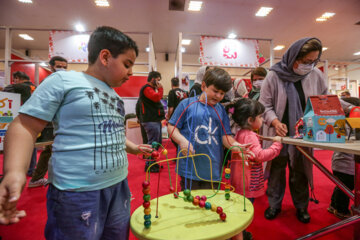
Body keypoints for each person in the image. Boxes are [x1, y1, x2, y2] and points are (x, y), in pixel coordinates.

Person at [0, 26, 151, 240]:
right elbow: (25, 126)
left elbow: (112, 132)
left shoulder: (114, 96)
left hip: (119, 186)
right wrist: (15, 171)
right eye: (127, 64)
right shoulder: (64, 80)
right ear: (105, 57)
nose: (131, 72)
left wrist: (134, 148)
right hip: (76, 192)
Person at [259, 37, 354, 224]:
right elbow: (264, 105)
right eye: (306, 61)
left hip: (304, 135)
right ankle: (274, 205)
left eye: (314, 61)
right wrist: (275, 122)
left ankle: (301, 207)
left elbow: (327, 100)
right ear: (294, 57)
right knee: (277, 170)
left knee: (300, 171)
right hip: (279, 135)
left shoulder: (315, 75)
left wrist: (350, 108)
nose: (309, 65)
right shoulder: (274, 75)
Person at [168, 67, 252, 191]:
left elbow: (225, 137)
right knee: (190, 203)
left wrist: (237, 147)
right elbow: (172, 127)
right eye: (215, 91)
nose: (218, 96)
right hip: (189, 167)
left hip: (212, 168)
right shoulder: (186, 104)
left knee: (211, 203)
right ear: (203, 86)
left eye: (222, 93)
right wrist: (182, 141)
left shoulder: (221, 110)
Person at [229, 98, 282, 202]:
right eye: (260, 117)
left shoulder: (240, 133)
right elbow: (260, 156)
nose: (263, 120)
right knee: (246, 208)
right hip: (248, 182)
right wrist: (277, 144)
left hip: (239, 180)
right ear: (250, 120)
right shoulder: (249, 136)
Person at [28, 56, 68, 188]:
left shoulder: (64, 81)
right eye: (59, 66)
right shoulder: (48, 82)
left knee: (52, 151)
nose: (62, 69)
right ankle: (40, 178)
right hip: (51, 123)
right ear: (51, 67)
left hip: (61, 122)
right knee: (52, 151)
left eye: (64, 67)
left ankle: (41, 178)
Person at [328, 97, 360, 219]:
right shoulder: (350, 124)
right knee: (345, 188)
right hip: (347, 166)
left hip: (339, 163)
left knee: (341, 187)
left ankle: (333, 205)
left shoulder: (340, 122)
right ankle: (341, 210)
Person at [3, 71, 37, 177]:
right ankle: (31, 168)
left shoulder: (16, 87)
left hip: (21, 117)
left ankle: (19, 169)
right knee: (33, 143)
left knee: (19, 144)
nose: (14, 81)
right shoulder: (35, 87)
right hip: (35, 117)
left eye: (15, 79)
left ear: (18, 78)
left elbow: (4, 93)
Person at [138, 71, 165, 172]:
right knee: (153, 144)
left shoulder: (150, 89)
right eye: (157, 80)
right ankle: (149, 165)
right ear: (152, 79)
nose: (158, 82)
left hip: (154, 120)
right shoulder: (146, 88)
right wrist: (161, 89)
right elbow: (156, 97)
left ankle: (153, 163)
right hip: (150, 120)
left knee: (156, 143)